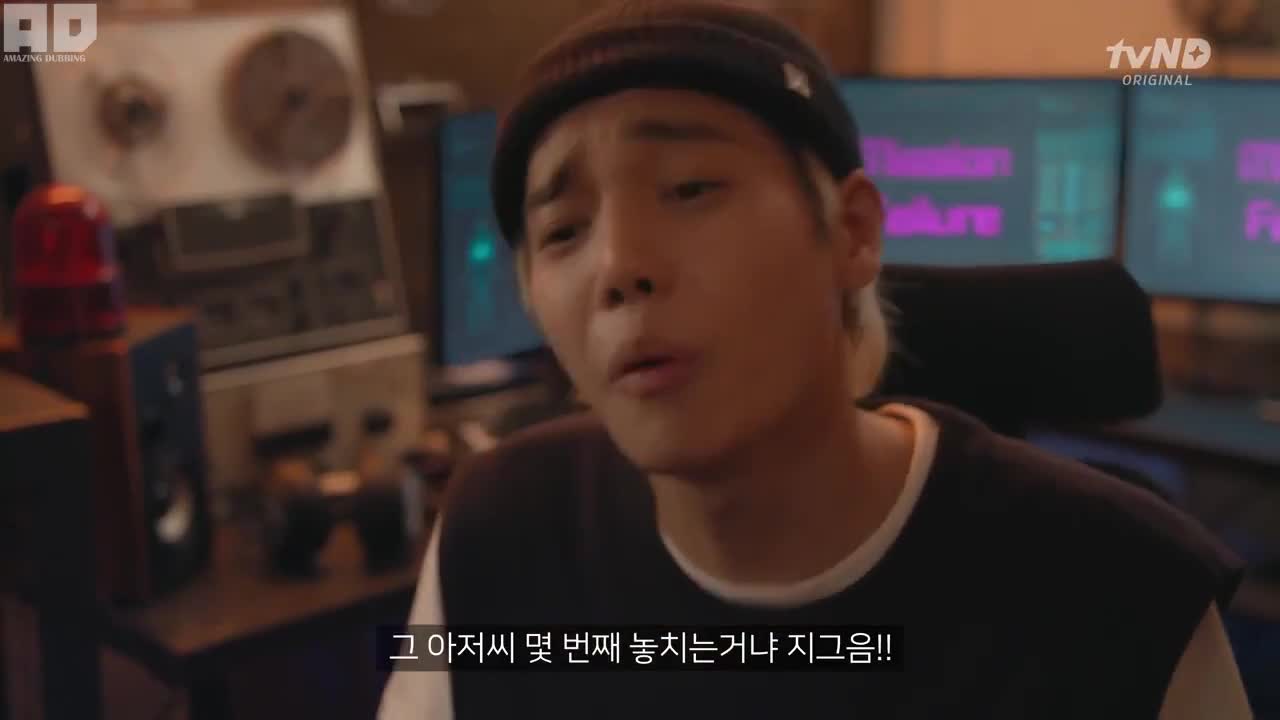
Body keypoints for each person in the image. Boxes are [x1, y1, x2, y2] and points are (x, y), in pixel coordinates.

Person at [380, 1, 1252, 718]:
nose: (618, 266)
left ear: (852, 231)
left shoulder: (1127, 597)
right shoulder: (496, 532)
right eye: (564, 231)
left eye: (690, 188)